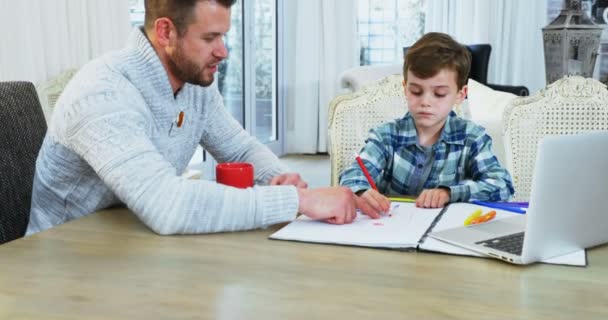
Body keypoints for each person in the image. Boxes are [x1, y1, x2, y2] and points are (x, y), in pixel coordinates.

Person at [26, 0, 357, 236]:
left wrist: (283, 178)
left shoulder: (193, 84)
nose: (223, 52)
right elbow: (167, 205)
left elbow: (240, 150)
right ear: (166, 32)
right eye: (210, 38)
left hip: (132, 244)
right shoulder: (102, 94)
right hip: (65, 260)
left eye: (224, 36)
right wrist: (297, 199)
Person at [339, 32, 514, 218]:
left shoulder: (472, 137)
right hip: (392, 227)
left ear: (460, 95)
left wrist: (449, 193)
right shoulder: (386, 136)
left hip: (446, 232)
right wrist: (361, 192)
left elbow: (502, 185)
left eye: (439, 94)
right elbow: (351, 178)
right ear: (405, 88)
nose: (425, 102)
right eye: (416, 91)